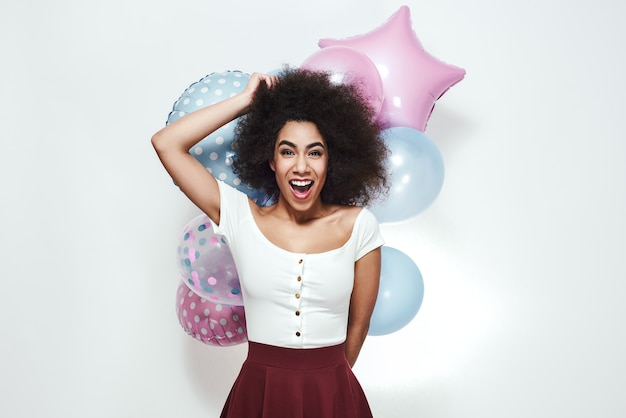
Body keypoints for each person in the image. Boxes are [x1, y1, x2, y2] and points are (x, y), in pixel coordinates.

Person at [152, 68, 389, 418]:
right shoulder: (239, 216)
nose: (301, 166)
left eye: (315, 152)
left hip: (333, 391)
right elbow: (166, 144)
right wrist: (246, 101)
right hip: (258, 392)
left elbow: (358, 324)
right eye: (288, 152)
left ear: (330, 161)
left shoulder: (360, 226)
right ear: (271, 160)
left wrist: (329, 384)